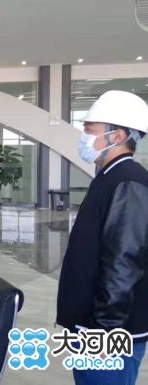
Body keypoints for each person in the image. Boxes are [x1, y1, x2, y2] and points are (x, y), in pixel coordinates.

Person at [57, 91, 148, 385]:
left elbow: (123, 262)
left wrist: (105, 332)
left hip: (109, 333)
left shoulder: (128, 182)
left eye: (89, 129)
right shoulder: (109, 176)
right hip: (93, 325)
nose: (83, 137)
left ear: (116, 135)